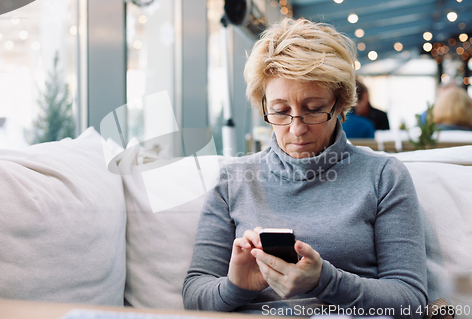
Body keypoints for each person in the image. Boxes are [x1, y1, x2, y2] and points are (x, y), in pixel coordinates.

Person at [183, 18, 427, 318]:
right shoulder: (234, 180)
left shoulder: (384, 176)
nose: (296, 129)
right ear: (264, 107)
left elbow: (411, 300)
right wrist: (236, 286)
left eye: (313, 110)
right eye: (280, 111)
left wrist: (325, 281)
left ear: (339, 104)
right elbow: (195, 294)